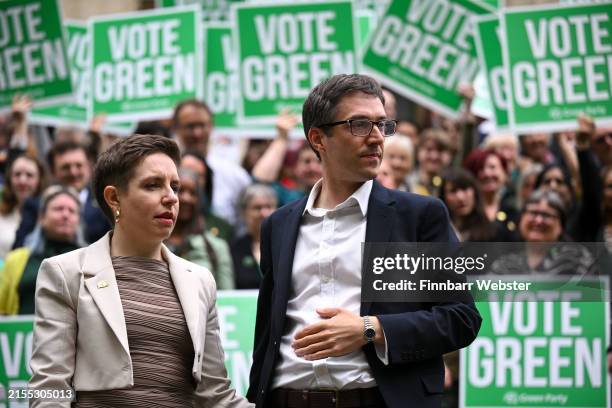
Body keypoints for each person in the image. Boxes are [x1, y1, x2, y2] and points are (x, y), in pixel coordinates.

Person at [247, 74, 481, 408]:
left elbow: (461, 318)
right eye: (359, 124)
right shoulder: (278, 225)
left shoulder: (418, 216)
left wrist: (371, 329)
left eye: (382, 125)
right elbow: (267, 333)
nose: (376, 138)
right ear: (318, 138)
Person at [28, 134, 252, 407]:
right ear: (114, 198)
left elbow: (216, 395)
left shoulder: (201, 280)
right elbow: (49, 389)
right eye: (153, 185)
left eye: (175, 186)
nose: (171, 198)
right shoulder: (65, 273)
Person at [0, 186, 83, 315]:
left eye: (72, 211)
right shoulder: (15, 259)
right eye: (58, 209)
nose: (65, 215)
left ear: (78, 220)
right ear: (41, 218)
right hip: (23, 333)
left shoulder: (90, 260)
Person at [13, 141, 110, 248]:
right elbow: (20, 247)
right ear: (53, 171)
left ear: (89, 167)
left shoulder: (105, 202)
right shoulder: (35, 204)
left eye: (79, 165)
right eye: (66, 167)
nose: (73, 172)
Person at [172, 99, 251, 227]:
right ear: (176, 128)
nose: (197, 133)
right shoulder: (165, 170)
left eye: (202, 125)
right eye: (190, 126)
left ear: (211, 126)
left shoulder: (234, 175)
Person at [165, 168, 235, 289]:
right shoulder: (151, 242)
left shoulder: (216, 247)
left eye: (193, 193)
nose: (186, 198)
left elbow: (228, 297)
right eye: (180, 191)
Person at [230, 184, 277, 289]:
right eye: (257, 208)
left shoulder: (286, 245)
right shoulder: (234, 248)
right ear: (244, 212)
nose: (264, 213)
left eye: (268, 207)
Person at [0, 155, 45, 258]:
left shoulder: (48, 214)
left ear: (39, 180)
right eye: (17, 174)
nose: (22, 181)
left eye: (29, 175)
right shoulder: (2, 213)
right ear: (9, 179)